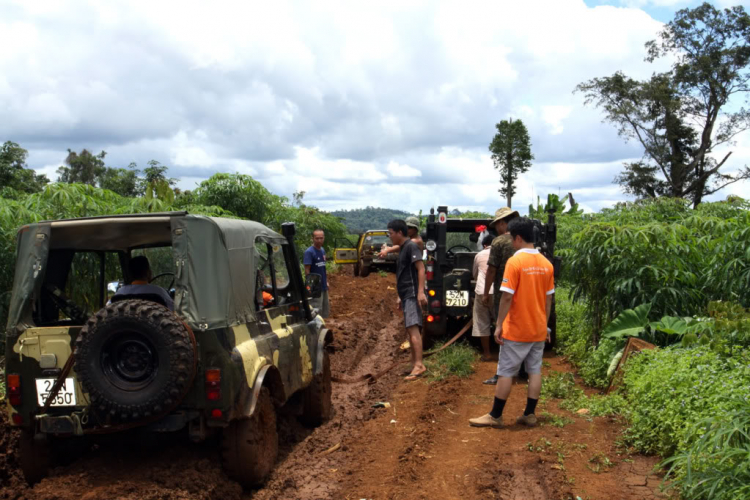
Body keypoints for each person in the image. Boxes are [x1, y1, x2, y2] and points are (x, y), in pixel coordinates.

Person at [469, 217, 555, 429]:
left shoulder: (515, 262)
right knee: (535, 371)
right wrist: (544, 326)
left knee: (506, 371)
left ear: (518, 238)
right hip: (537, 329)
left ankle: (495, 416)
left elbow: (506, 297)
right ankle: (530, 414)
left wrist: (499, 325)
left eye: (511, 238)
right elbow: (548, 299)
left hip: (517, 328)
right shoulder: (546, 264)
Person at [481, 207, 519, 385]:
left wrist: (485, 292)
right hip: (523, 293)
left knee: (502, 330)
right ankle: (523, 369)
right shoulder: (523, 240)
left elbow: (491, 270)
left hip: (503, 292)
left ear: (503, 223)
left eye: (497, 224)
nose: (496, 228)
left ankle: (502, 372)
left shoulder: (499, 242)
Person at [387, 219, 428, 381]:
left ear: (399, 233)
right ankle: (415, 364)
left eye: (390, 233)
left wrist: (420, 292)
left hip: (412, 294)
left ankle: (419, 365)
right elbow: (405, 273)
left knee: (413, 329)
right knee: (410, 331)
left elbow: (421, 268)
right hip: (406, 294)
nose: (389, 237)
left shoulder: (411, 246)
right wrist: (400, 296)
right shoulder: (404, 248)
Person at [472, 235, 495, 361]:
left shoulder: (479, 255)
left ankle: (487, 353)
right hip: (499, 292)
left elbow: (475, 273)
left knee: (482, 322)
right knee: (501, 322)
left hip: (481, 291)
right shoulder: (502, 254)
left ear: (484, 245)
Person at [304, 229, 330, 318]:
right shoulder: (309, 252)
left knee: (324, 309)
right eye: (317, 238)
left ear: (324, 238)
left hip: (323, 285)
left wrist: (326, 281)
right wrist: (311, 286)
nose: (319, 240)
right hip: (315, 287)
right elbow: (307, 270)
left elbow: (323, 267)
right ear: (313, 238)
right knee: (316, 310)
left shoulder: (322, 250)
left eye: (321, 238)